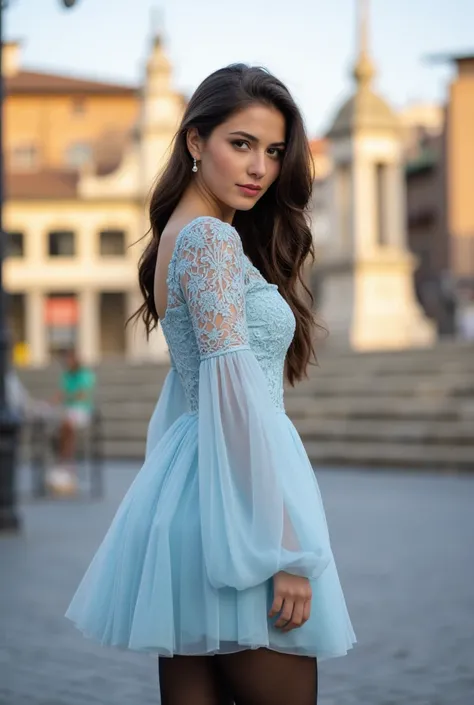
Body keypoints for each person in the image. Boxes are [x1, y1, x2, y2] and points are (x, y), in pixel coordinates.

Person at [66, 64, 356, 704]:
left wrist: (175, 501)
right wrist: (284, 551)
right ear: (196, 142)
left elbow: (187, 392)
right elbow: (232, 393)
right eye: (241, 143)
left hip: (201, 496)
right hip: (240, 508)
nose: (259, 167)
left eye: (274, 151)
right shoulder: (208, 241)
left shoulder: (189, 234)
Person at [51, 349, 95, 486]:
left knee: (67, 425)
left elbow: (82, 395)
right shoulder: (66, 376)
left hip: (81, 411)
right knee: (63, 426)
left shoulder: (86, 375)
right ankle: (64, 459)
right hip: (68, 411)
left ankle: (65, 461)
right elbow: (60, 395)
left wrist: (67, 397)